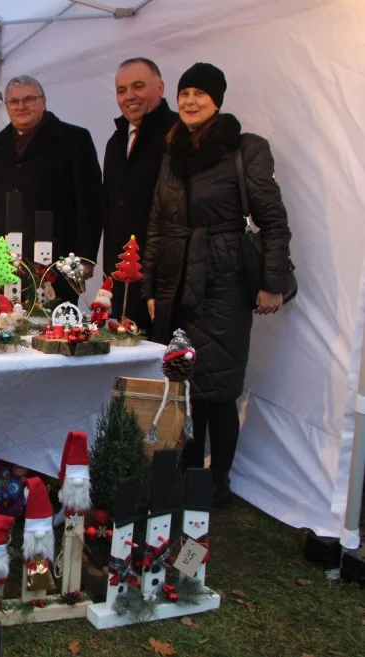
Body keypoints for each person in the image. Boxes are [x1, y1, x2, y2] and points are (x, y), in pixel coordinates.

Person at [142, 63, 293, 505]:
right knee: (181, 383)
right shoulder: (173, 151)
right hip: (175, 280)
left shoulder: (246, 149)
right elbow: (156, 224)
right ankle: (186, 471)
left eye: (199, 93)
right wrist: (151, 288)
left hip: (224, 282)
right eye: (184, 92)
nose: (189, 101)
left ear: (218, 99)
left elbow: (273, 221)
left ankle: (218, 481)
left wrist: (272, 282)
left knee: (220, 388)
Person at [0, 75, 103, 292]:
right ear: (6, 106)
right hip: (3, 263)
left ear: (44, 101)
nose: (21, 106)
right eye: (14, 102)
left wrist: (85, 257)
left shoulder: (74, 140)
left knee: (55, 324)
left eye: (29, 99)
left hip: (58, 261)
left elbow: (90, 202)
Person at [102, 58, 178, 335]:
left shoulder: (178, 134)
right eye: (121, 90)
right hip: (121, 276)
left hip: (162, 278)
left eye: (138, 86)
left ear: (160, 87)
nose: (129, 96)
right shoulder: (116, 141)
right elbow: (110, 209)